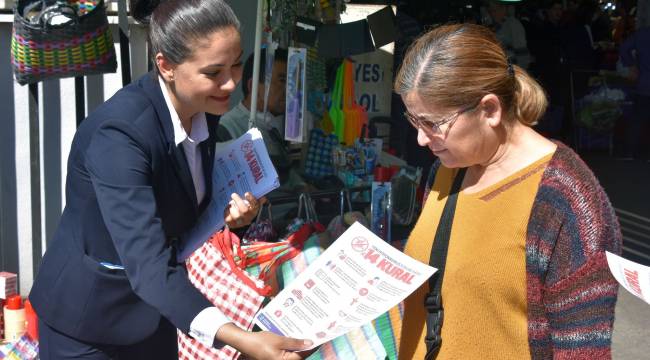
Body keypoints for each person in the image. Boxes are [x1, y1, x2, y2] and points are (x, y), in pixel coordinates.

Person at [29, 1, 312, 359]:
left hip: (157, 314)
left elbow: (180, 204)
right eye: (214, 72)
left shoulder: (205, 111)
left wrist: (230, 221)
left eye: (236, 64)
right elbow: (148, 263)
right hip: (89, 322)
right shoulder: (120, 135)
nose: (231, 82)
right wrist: (242, 339)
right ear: (166, 66)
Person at [390, 24, 621, 359]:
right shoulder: (447, 170)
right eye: (414, 121)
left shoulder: (566, 200)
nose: (421, 140)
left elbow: (582, 348)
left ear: (490, 110)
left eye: (433, 124)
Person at [619, 26, 650, 160]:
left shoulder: (643, 33)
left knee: (637, 119)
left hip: (644, 82)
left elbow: (624, 48)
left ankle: (630, 153)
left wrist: (631, 65)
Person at [487, 1, 531, 69]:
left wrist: (520, 73)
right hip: (501, 69)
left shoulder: (513, 23)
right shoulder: (494, 26)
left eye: (494, 10)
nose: (492, 14)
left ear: (504, 9)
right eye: (490, 11)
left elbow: (522, 52)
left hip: (513, 70)